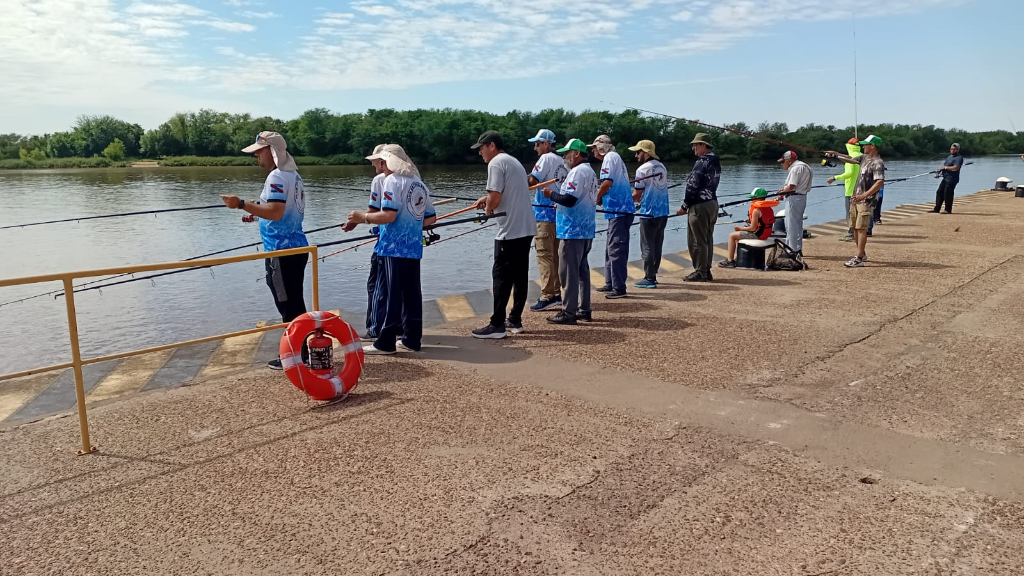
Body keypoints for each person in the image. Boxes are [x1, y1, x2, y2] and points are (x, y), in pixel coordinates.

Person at [221, 131, 308, 370]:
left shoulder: (277, 177)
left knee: (287, 304)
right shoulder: (294, 175)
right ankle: (304, 353)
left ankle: (294, 357)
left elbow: (276, 212)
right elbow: (276, 210)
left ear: (271, 151)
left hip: (281, 252)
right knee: (295, 302)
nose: (256, 157)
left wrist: (239, 204)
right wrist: (256, 213)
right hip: (297, 248)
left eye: (259, 152)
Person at [346, 144, 436, 354]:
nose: (381, 166)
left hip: (392, 247)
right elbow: (431, 218)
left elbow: (388, 215)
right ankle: (412, 340)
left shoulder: (392, 181)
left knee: (391, 294)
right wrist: (412, 224)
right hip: (413, 248)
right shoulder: (419, 184)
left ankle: (385, 342)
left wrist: (362, 217)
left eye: (382, 162)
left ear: (389, 162)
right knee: (412, 294)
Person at [468, 131, 538, 339]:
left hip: (510, 231)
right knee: (520, 276)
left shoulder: (496, 163)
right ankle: (515, 320)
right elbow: (504, 192)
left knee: (500, 278)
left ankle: (496, 324)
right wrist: (487, 198)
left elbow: (496, 199)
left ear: (491, 146)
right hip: (526, 228)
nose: (480, 152)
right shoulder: (513, 161)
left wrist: (488, 209)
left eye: (481, 148)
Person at [541, 138, 598, 325]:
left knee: (568, 273)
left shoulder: (577, 172)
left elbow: (569, 199)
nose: (564, 156)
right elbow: (576, 199)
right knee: (582, 271)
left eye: (567, 153)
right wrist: (561, 200)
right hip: (586, 229)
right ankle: (584, 309)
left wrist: (551, 195)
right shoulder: (590, 171)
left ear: (577, 154)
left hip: (572, 231)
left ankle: (568, 312)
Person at [827, 135, 885, 268]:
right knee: (855, 227)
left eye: (865, 144)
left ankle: (858, 258)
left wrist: (864, 195)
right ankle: (861, 253)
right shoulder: (864, 158)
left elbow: (880, 182)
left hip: (866, 200)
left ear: (873, 146)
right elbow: (850, 160)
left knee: (861, 228)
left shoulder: (877, 162)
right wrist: (835, 155)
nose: (862, 146)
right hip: (856, 198)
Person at [347, 144, 387, 339]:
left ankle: (375, 329)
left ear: (382, 161)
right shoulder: (411, 178)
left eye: (374, 163)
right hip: (408, 247)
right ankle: (399, 328)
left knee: (375, 286)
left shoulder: (380, 180)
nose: (373, 167)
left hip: (385, 245)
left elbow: (372, 212)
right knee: (400, 287)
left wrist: (355, 220)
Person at [588, 135, 634, 299]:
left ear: (601, 148)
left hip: (619, 212)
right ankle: (610, 282)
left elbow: (606, 183)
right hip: (618, 211)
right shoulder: (615, 158)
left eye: (594, 147)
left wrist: (596, 198)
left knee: (616, 250)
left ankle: (619, 288)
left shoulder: (609, 158)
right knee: (611, 248)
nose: (592, 151)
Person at [526, 129, 567, 312]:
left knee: (543, 256)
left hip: (544, 215)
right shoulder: (562, 160)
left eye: (537, 144)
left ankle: (547, 295)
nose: (535, 148)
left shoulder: (546, 158)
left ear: (547, 144)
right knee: (555, 257)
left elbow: (532, 181)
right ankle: (557, 294)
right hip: (558, 215)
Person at [676, 133, 721, 282]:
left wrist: (684, 206)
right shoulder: (715, 161)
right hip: (712, 203)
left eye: (696, 144)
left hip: (699, 206)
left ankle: (700, 272)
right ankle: (706, 270)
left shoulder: (701, 162)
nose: (693, 147)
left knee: (696, 241)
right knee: (707, 238)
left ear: (703, 145)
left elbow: (692, 186)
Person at [628, 139, 669, 289]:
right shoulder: (662, 167)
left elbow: (637, 195)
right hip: (663, 212)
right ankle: (654, 274)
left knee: (647, 246)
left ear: (645, 153)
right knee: (657, 244)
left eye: (638, 152)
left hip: (648, 212)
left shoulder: (642, 170)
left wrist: (625, 200)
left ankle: (649, 278)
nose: (636, 156)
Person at [718, 188, 778, 268]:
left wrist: (740, 228)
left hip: (759, 235)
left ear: (757, 198)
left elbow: (752, 228)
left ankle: (730, 261)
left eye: (752, 198)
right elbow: (763, 221)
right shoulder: (768, 208)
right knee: (738, 236)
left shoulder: (756, 210)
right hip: (766, 233)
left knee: (732, 236)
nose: (751, 199)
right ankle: (737, 258)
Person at [777, 150, 813, 253]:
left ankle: (791, 250)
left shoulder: (795, 168)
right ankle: (797, 248)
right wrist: (784, 191)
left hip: (794, 198)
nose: (782, 164)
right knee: (797, 224)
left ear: (789, 161)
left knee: (791, 225)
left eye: (783, 162)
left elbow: (792, 186)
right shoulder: (806, 166)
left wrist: (782, 193)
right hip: (801, 197)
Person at [827, 137, 861, 242]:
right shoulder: (859, 155)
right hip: (859, 189)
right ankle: (857, 232)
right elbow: (848, 156)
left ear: (849, 146)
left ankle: (851, 234)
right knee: (856, 213)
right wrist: (835, 153)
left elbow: (849, 173)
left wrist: (834, 178)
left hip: (851, 190)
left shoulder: (851, 159)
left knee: (850, 213)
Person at [932, 143, 964, 214]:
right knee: (939, 192)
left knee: (948, 194)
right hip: (945, 178)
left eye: (954, 149)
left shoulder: (959, 158)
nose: (952, 150)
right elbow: (944, 165)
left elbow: (956, 167)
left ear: (957, 150)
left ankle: (948, 210)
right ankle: (936, 209)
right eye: (951, 149)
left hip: (952, 179)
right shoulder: (949, 157)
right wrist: (940, 170)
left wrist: (946, 168)